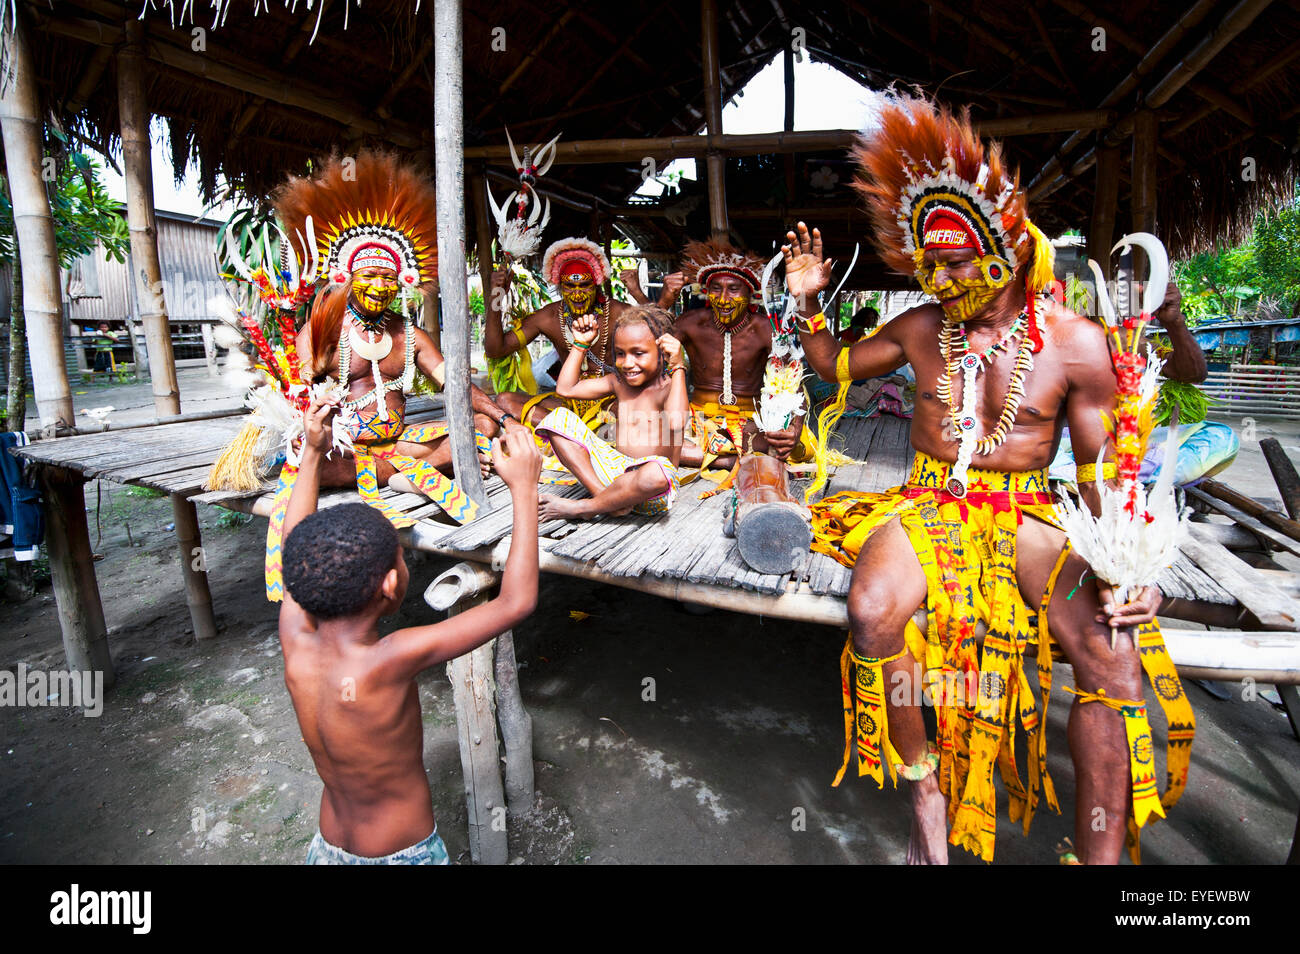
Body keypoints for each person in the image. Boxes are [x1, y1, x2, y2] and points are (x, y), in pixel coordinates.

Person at [789, 95, 1194, 866]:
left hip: (1032, 516)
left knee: (1112, 655)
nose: (938, 280)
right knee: (872, 611)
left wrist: (1127, 565)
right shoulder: (918, 329)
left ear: (1008, 252)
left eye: (953, 262)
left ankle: (1101, 861)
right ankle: (926, 795)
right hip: (932, 501)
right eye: (926, 265)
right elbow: (830, 366)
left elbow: (1106, 466)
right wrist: (809, 305)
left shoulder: (1077, 345)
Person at [278, 394, 541, 864]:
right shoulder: (390, 659)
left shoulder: (296, 641)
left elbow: (290, 547)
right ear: (390, 583)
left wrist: (313, 455)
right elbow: (516, 602)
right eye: (401, 559)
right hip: (400, 854)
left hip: (328, 847)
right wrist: (524, 489)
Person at [258, 151, 525, 600]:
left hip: (397, 443)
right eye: (370, 276)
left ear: (402, 279)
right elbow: (296, 398)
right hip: (340, 455)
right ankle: (400, 470)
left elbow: (455, 388)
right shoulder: (323, 328)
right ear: (347, 276)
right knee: (313, 464)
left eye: (389, 278)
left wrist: (502, 417)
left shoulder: (412, 336)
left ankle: (399, 466)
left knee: (477, 427)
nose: (381, 287)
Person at [670, 240, 812, 474]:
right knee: (656, 439)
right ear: (706, 291)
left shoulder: (765, 328)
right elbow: (647, 350)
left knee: (780, 443)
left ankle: (716, 456)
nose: (724, 299)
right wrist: (666, 299)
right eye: (716, 288)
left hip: (750, 423)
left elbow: (793, 385)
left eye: (734, 289)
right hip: (698, 419)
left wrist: (794, 429)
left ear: (750, 293)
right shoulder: (690, 323)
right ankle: (731, 461)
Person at [535, 306, 687, 520]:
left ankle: (584, 508)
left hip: (648, 489)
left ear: (663, 352)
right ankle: (605, 500)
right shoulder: (619, 382)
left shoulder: (668, 387)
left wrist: (678, 366)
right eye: (621, 354)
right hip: (614, 474)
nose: (628, 363)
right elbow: (566, 389)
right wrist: (580, 345)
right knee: (558, 418)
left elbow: (677, 420)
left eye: (638, 353)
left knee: (655, 473)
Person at [485, 238, 637, 428]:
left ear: (596, 284)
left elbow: (659, 331)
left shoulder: (619, 314)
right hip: (569, 404)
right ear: (560, 287)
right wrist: (495, 296)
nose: (577, 294)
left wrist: (637, 293)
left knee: (631, 408)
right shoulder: (549, 317)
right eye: (570, 286)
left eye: (585, 285)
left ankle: (566, 432)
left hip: (610, 403)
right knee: (505, 400)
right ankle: (578, 433)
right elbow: (495, 350)